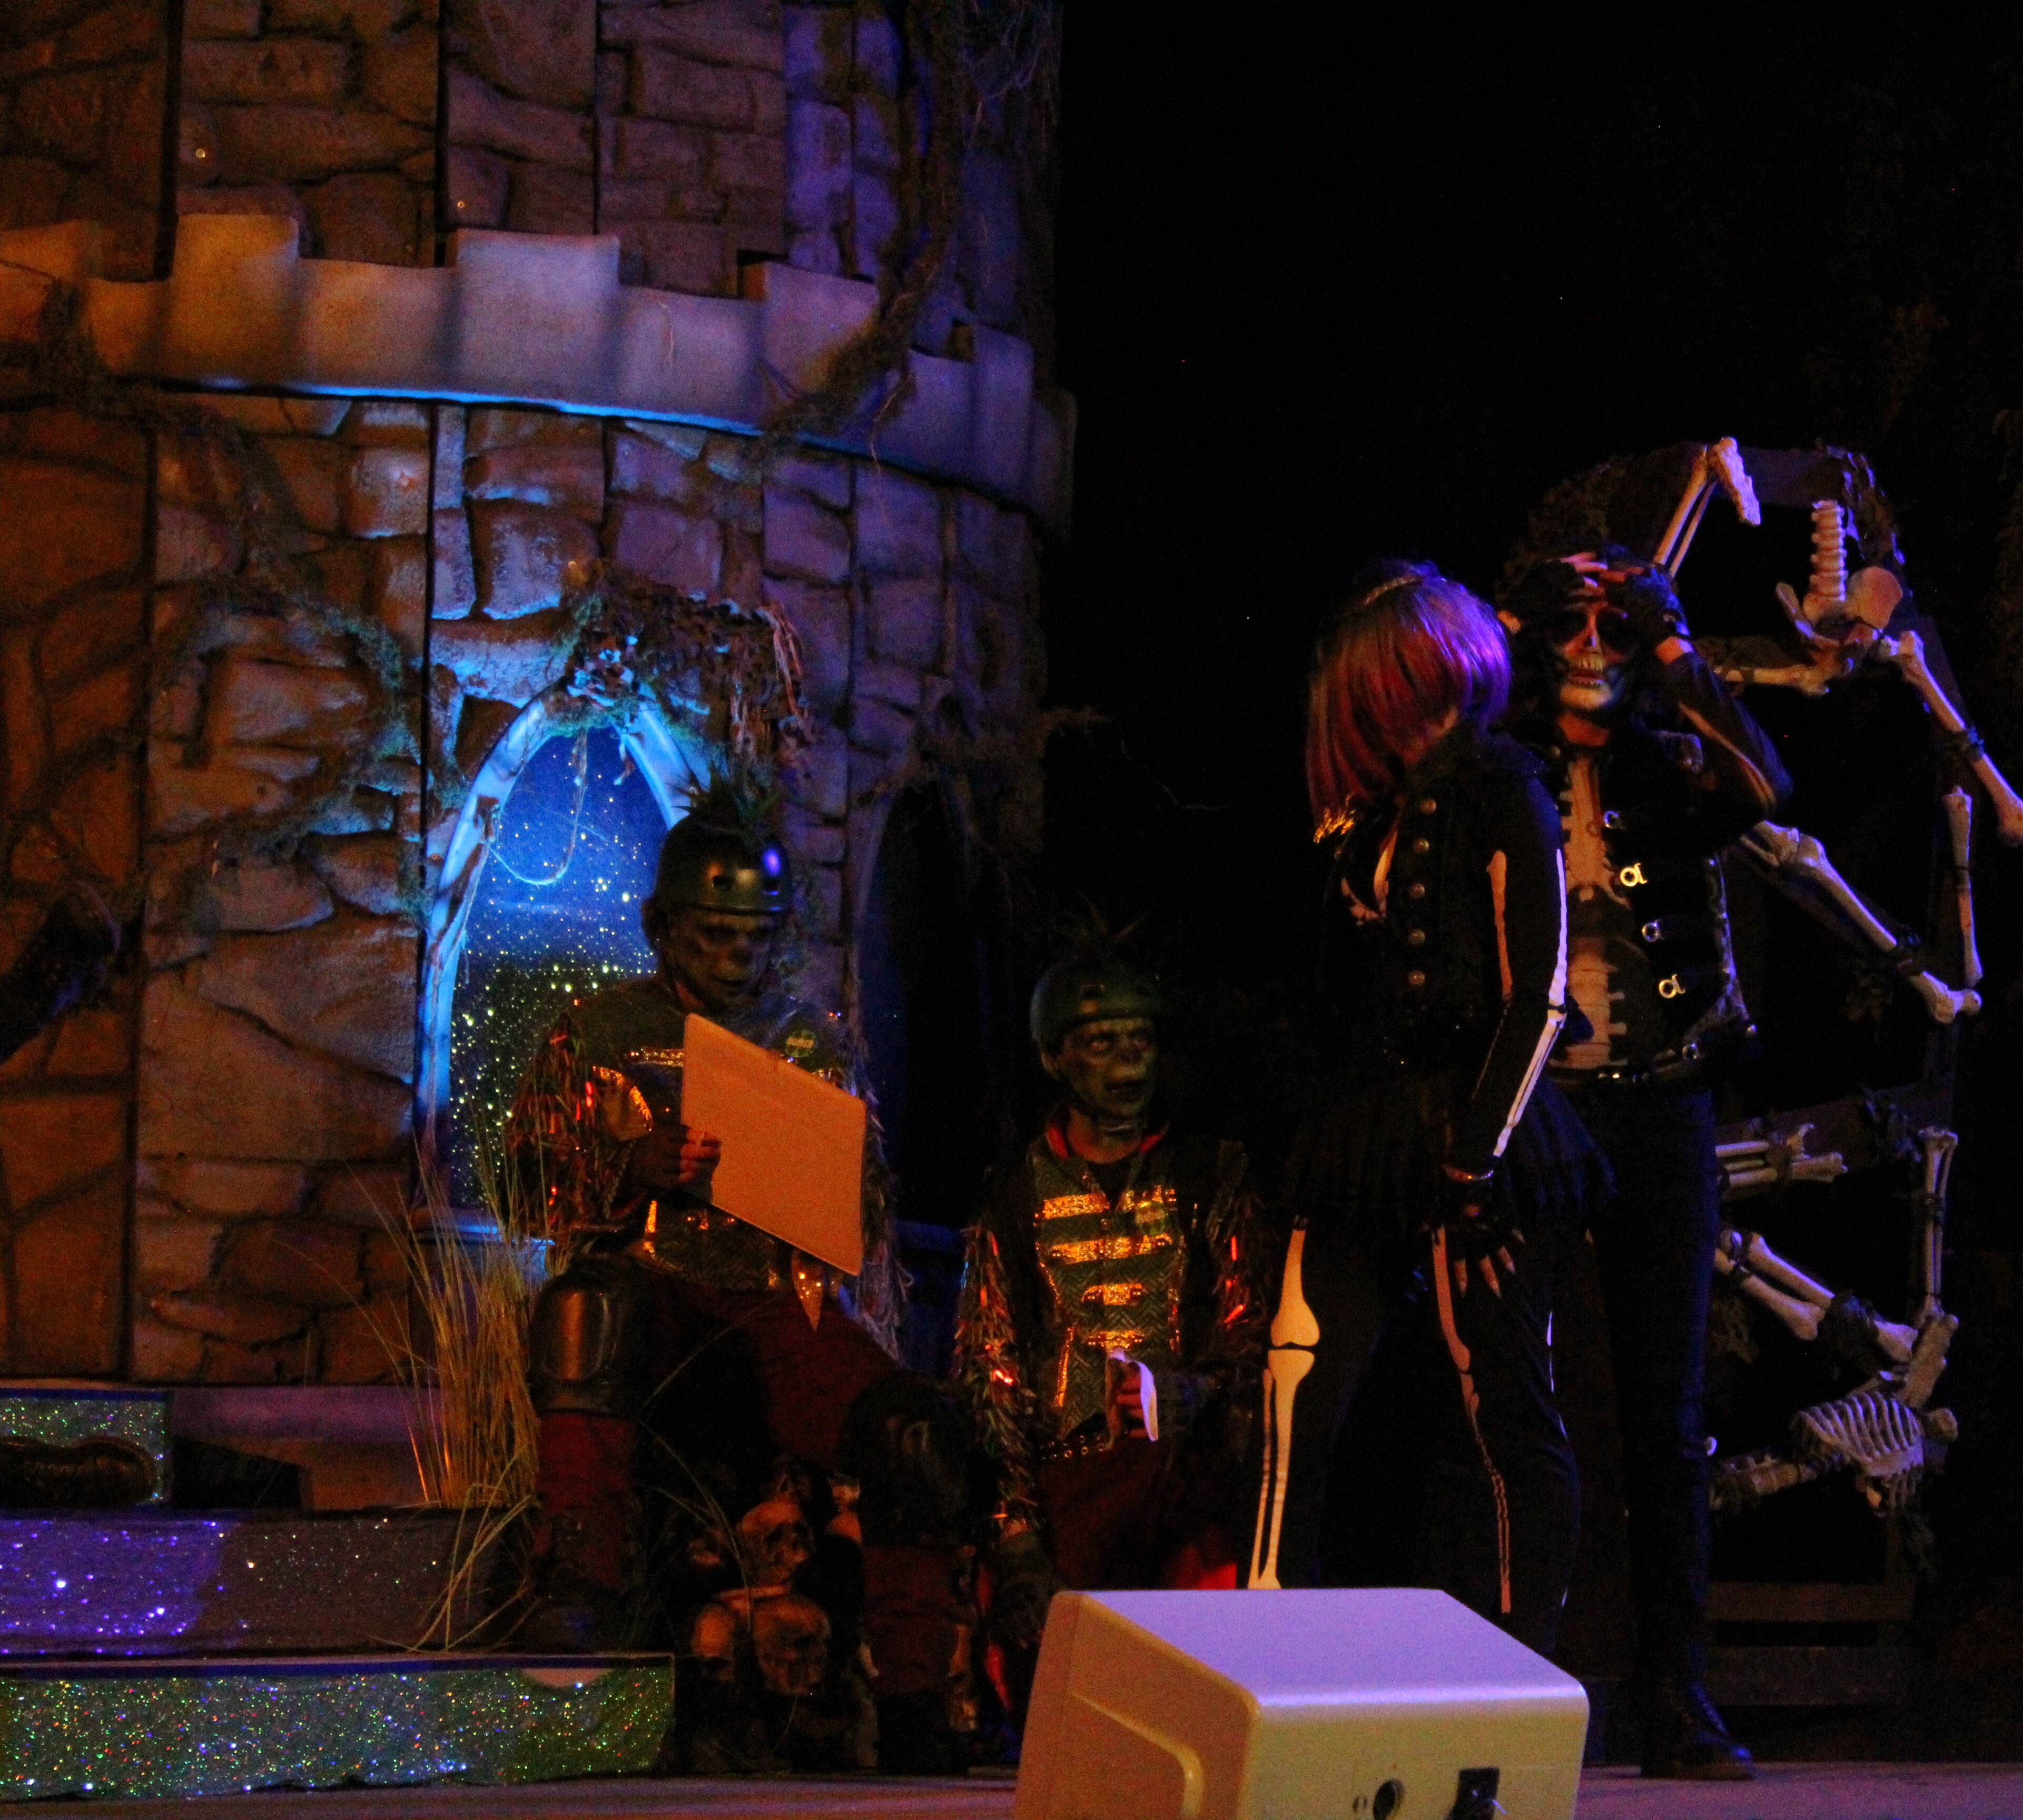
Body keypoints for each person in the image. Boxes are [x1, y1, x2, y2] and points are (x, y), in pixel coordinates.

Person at [499, 779, 1002, 1771]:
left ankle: (912, 1701)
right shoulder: (599, 1032)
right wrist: (629, 1166)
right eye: (715, 935)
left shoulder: (808, 1039)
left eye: (756, 937)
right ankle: (581, 1605)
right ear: (663, 926)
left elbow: (865, 1209)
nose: (738, 957)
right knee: (586, 1309)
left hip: (775, 1303)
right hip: (651, 1296)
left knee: (913, 1427)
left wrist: (811, 1181)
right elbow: (523, 1182)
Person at [1247, 558, 1603, 1654]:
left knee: (1503, 1411)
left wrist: (1476, 1160)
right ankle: (1267, 1646)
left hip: (1473, 1125)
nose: (1388, 708)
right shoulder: (1368, 817)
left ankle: (1523, 1667)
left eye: (1393, 683)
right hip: (1371, 1128)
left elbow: (1539, 999)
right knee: (1295, 1385)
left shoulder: (1502, 787)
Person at [1498, 548, 1791, 1779]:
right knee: (1518, 1406)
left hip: (1662, 1105)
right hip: (1530, 1113)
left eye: (1613, 629)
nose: (1594, 650)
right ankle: (1514, 1689)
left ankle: (1677, 1693)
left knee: (1665, 1416)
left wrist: (1675, 653)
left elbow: (1763, 788)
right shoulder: (1498, 768)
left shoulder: (1669, 766)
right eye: (1574, 627)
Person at [953, 947, 1268, 1636]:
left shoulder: (1209, 1173)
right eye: (1102, 1043)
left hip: (1185, 1476)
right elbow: (989, 1369)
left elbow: (1253, 1332)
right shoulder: (1015, 1193)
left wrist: (1196, 1393)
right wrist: (1017, 1535)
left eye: (1141, 1040)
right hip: (1064, 1481)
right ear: (1054, 1058)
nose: (1129, 1061)